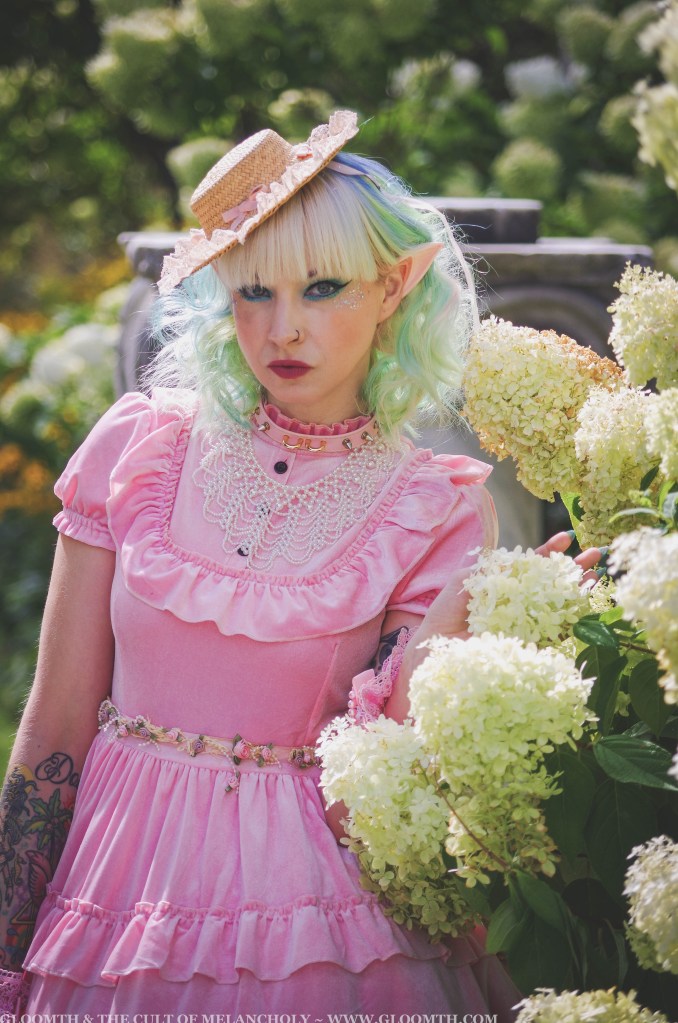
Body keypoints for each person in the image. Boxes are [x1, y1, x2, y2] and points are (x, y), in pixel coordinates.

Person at [0, 110, 598, 1016]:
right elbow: (53, 723)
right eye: (254, 292)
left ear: (393, 285)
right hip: (114, 898)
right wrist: (6, 947)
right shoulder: (138, 448)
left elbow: (384, 772)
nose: (283, 328)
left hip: (320, 930)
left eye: (322, 288)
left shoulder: (434, 507)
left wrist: (494, 606)